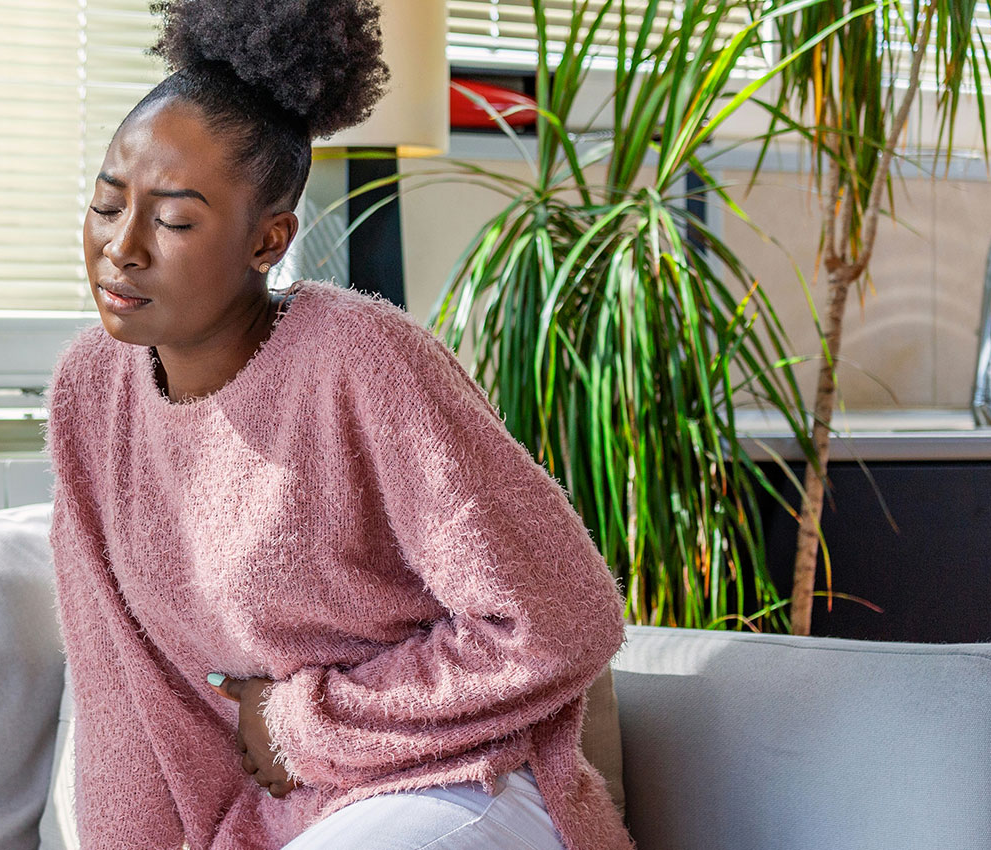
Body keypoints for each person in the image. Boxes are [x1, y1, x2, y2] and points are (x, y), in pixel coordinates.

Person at [41, 1, 636, 848]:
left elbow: (564, 618)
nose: (122, 246)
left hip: (456, 784)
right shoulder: (91, 392)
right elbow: (120, 693)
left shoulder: (360, 361)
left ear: (268, 240)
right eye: (107, 204)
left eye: (173, 220)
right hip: (282, 819)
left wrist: (301, 724)